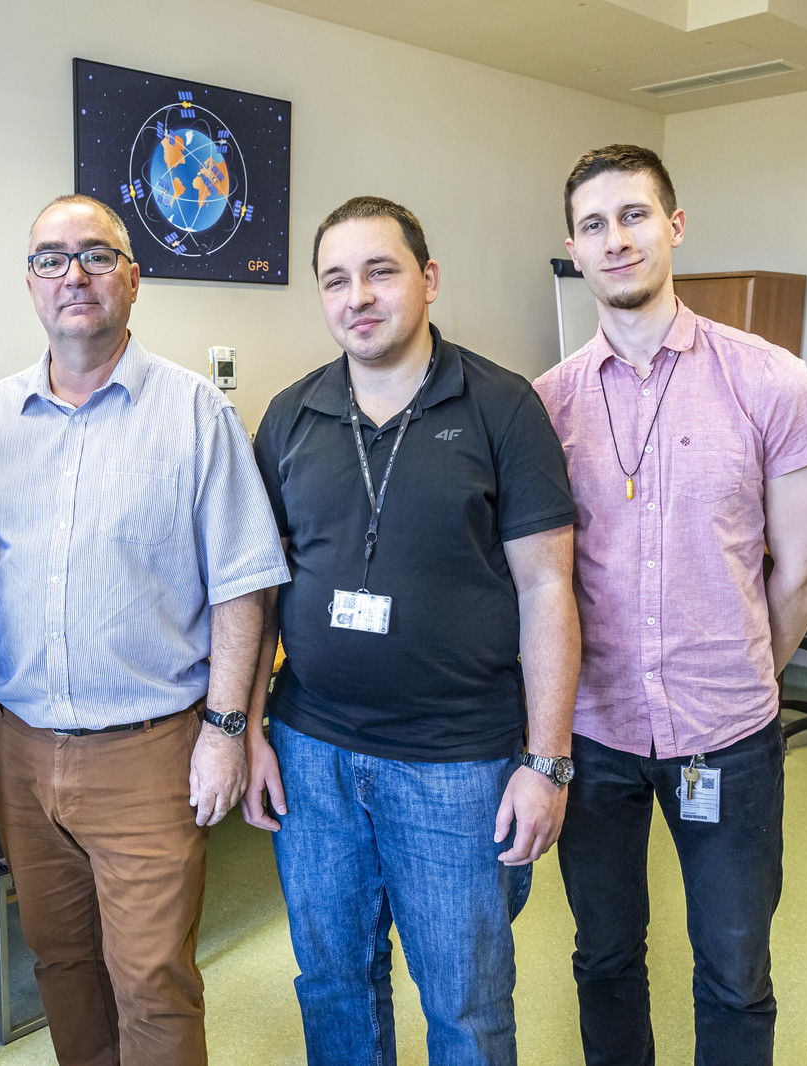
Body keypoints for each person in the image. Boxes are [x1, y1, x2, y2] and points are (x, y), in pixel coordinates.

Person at [0, 194, 289, 1066]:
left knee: (152, 984)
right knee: (61, 964)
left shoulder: (196, 414)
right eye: (51, 259)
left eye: (96, 256)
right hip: (19, 748)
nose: (74, 276)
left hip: (148, 752)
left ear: (133, 279)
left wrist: (226, 730)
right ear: (31, 283)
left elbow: (244, 587)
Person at [246, 195, 582, 1065]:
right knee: (332, 983)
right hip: (313, 754)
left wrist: (547, 761)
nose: (357, 296)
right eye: (335, 280)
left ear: (428, 280)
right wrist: (246, 730)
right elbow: (259, 590)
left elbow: (548, 587)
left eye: (380, 271)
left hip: (456, 764)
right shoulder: (290, 416)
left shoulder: (503, 407)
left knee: (465, 1004)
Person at [533, 145, 807, 1066]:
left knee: (736, 968)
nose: (616, 240)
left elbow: (805, 571)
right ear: (574, 250)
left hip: (727, 735)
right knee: (604, 956)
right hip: (594, 733)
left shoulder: (770, 380)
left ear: (674, 225)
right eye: (593, 225)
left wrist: (742, 671)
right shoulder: (545, 406)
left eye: (634, 215)